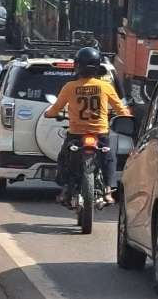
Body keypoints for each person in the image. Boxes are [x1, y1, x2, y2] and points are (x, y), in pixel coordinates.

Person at [44, 46, 131, 206]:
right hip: (100, 133)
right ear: (97, 66)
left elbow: (55, 109)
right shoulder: (105, 87)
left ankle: (65, 189)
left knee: (64, 158)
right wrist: (128, 116)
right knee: (109, 158)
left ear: (77, 66)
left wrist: (49, 114)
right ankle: (107, 189)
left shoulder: (70, 87)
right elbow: (121, 109)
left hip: (76, 133)